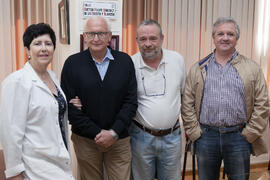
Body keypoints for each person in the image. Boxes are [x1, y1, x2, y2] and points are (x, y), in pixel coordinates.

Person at [181, 17, 270, 180]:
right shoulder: (198, 68)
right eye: (220, 33)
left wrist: (250, 133)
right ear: (214, 38)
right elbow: (187, 103)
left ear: (237, 38)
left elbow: (263, 104)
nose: (225, 37)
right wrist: (195, 132)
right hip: (206, 138)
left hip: (239, 137)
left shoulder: (252, 68)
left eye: (230, 34)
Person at [60, 16, 137, 180]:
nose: (96, 38)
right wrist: (97, 133)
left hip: (119, 140)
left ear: (109, 36)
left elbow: (130, 102)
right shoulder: (72, 64)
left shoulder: (125, 61)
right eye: (91, 34)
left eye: (101, 34)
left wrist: (113, 132)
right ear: (84, 37)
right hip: (86, 140)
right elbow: (69, 107)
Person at [0, 23, 74, 180]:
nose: (44, 48)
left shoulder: (53, 77)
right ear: (27, 50)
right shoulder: (16, 82)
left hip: (59, 161)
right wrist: (15, 174)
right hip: (35, 168)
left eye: (48, 44)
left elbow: (53, 111)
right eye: (37, 43)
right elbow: (11, 135)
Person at [130, 19, 186, 180]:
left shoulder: (177, 60)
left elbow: (184, 95)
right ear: (137, 41)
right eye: (143, 39)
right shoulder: (130, 64)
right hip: (140, 137)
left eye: (153, 38)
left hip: (172, 137)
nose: (148, 43)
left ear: (162, 38)